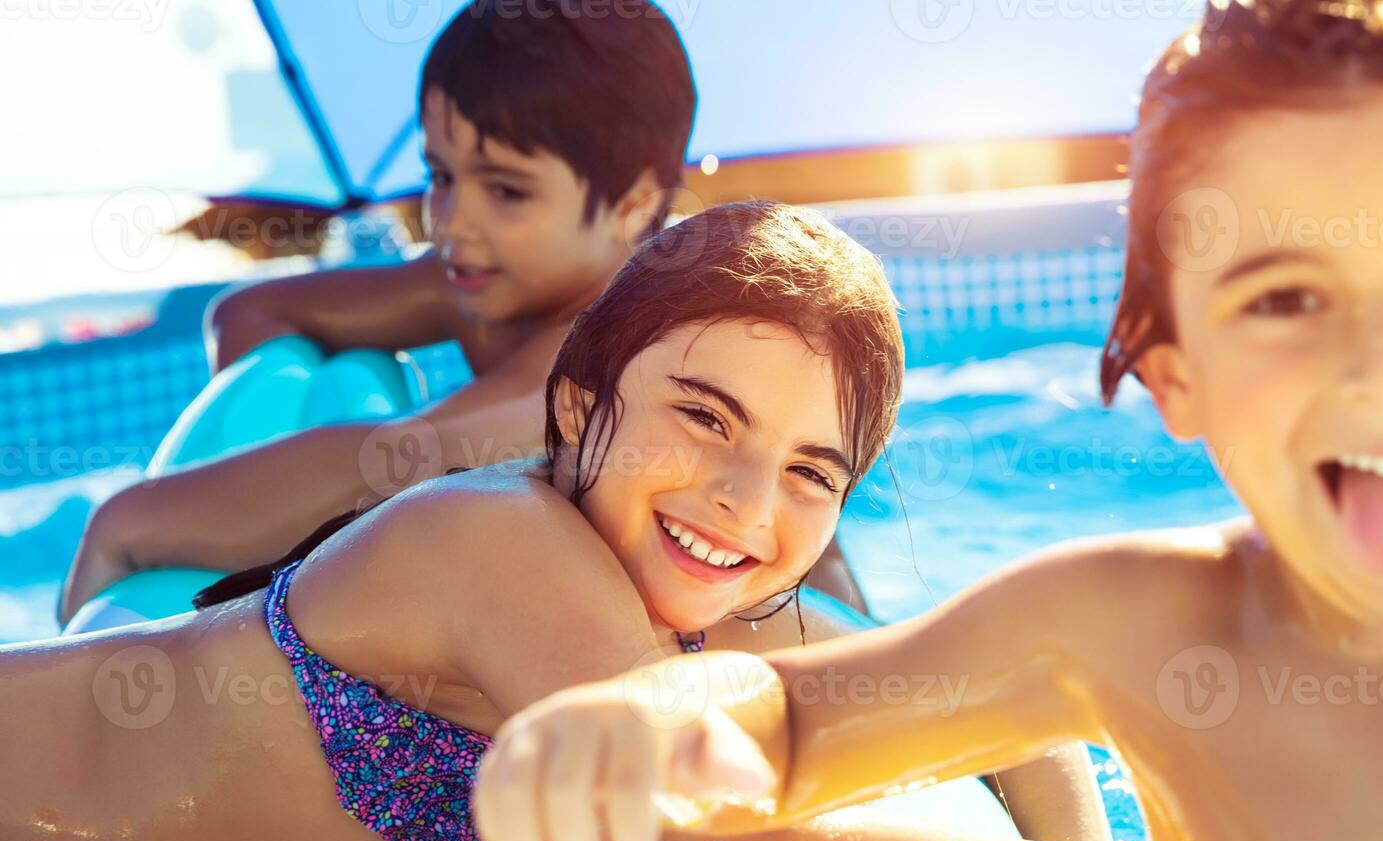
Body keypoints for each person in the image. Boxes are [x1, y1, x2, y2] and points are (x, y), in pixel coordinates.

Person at [473, 3, 1383, 841]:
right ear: (1177, 378)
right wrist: (646, 713)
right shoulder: (1130, 621)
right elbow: (793, 721)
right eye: (1287, 297)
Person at [5, 204, 1165, 841]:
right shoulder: (500, 546)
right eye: (705, 417)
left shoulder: (692, 583)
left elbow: (972, 687)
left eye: (811, 471)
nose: (743, 503)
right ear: (573, 406)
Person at [58, 0, 867, 625]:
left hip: (774, 608)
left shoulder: (631, 350)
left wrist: (135, 521)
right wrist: (278, 427)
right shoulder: (481, 278)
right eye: (441, 176)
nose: (451, 222)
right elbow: (255, 312)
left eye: (506, 190)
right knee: (338, 374)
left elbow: (416, 463)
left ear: (634, 207)